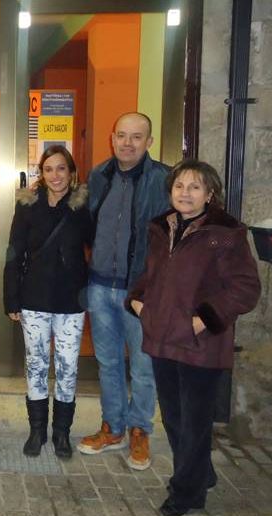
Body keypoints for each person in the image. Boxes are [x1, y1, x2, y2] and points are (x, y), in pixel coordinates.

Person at [126, 160, 260, 516]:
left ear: (210, 193)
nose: (185, 193)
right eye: (180, 186)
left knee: (195, 422)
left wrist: (203, 321)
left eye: (195, 187)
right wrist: (138, 303)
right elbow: (151, 275)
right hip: (162, 339)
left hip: (201, 345)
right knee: (173, 418)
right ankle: (202, 474)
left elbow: (245, 289)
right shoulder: (161, 227)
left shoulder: (226, 233)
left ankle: (187, 493)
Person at [77, 112, 170, 470]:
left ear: (149, 142)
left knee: (144, 367)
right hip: (100, 286)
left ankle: (140, 431)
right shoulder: (98, 176)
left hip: (140, 292)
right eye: (122, 136)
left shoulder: (163, 180)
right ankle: (113, 427)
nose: (127, 143)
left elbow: (169, 241)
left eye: (137, 137)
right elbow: (89, 225)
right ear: (112, 138)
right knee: (108, 363)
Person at [4, 145, 92, 459]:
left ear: (71, 172)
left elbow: (96, 247)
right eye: (48, 169)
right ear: (41, 174)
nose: (55, 175)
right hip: (34, 298)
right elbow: (14, 252)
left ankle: (61, 433)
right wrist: (11, 298)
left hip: (71, 300)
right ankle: (37, 430)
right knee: (37, 366)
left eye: (61, 169)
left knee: (68, 368)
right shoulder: (28, 205)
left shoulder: (83, 206)